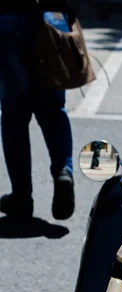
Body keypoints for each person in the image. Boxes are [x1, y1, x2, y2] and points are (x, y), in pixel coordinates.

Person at [0, 1, 77, 221]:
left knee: (14, 115)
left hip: (11, 17)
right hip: (52, 14)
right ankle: (64, 172)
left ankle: (22, 197)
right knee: (53, 110)